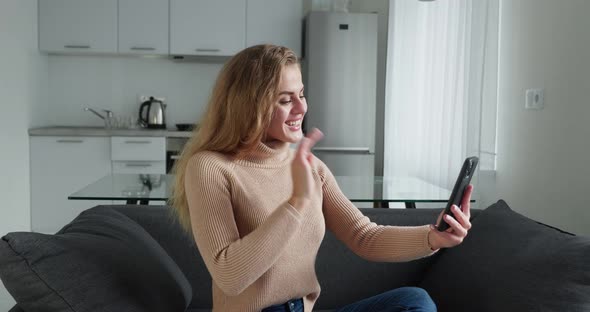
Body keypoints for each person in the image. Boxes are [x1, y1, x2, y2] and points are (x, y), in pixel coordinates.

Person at [170, 44, 473, 312]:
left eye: (301, 94)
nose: (302, 108)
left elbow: (363, 236)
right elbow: (230, 275)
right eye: (285, 100)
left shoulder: (308, 166)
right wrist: (297, 202)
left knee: (414, 301)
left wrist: (434, 236)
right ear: (249, 106)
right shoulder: (210, 167)